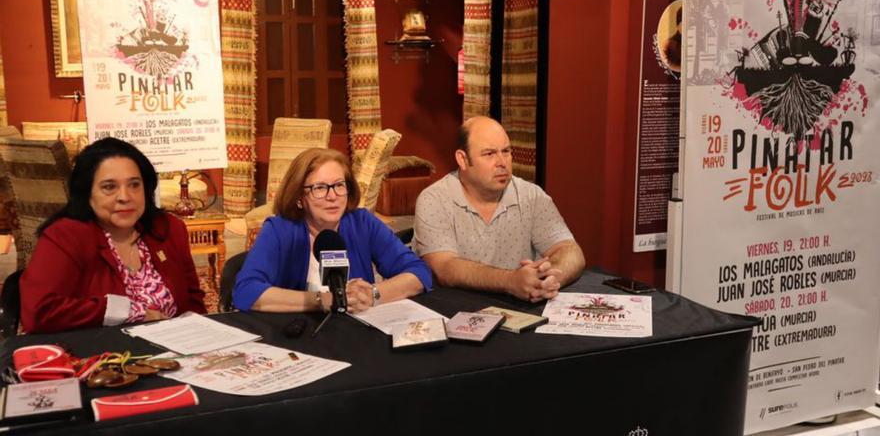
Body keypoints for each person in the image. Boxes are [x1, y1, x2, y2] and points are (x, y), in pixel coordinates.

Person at [19, 138, 205, 333]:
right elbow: (38, 312)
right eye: (109, 187)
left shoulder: (168, 228)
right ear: (87, 193)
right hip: (101, 356)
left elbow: (194, 301)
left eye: (134, 185)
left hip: (175, 354)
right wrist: (131, 312)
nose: (125, 197)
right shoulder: (65, 236)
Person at [233, 148, 431, 313]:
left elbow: (419, 273)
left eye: (338, 185)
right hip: (299, 337)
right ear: (299, 198)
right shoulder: (279, 229)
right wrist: (324, 300)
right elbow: (246, 292)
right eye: (319, 188)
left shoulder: (361, 222)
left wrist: (372, 295)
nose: (332, 196)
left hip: (355, 332)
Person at [414, 116, 585, 302]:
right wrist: (510, 281)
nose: (502, 162)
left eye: (506, 151)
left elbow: (570, 250)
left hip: (518, 309)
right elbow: (444, 268)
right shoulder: (434, 199)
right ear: (462, 159)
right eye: (489, 154)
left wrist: (549, 277)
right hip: (455, 308)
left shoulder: (531, 195)